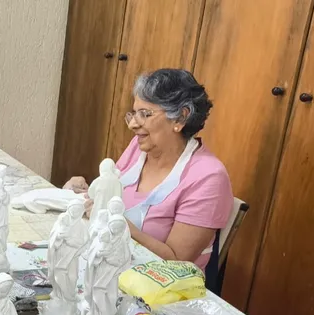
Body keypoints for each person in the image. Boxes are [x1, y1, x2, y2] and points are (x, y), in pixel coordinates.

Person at [63, 69, 232, 271]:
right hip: (113, 264)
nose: (133, 124)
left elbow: (176, 261)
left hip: (161, 287)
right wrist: (90, 193)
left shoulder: (209, 177)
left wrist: (119, 225)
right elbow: (113, 198)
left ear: (180, 118)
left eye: (145, 114)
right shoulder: (140, 147)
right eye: (134, 113)